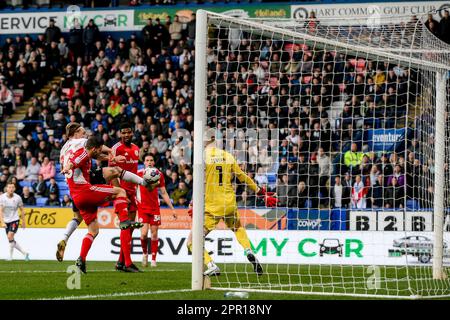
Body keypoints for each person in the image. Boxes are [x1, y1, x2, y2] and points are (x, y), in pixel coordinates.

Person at [186, 128, 278, 276]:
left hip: (212, 205)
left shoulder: (202, 157)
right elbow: (243, 177)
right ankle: (248, 250)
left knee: (192, 241)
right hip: (229, 202)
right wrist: (262, 193)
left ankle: (211, 264)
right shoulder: (227, 156)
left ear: (205, 139)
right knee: (237, 228)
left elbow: (200, 183)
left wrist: (193, 202)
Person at [61, 136, 151, 273]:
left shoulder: (75, 151)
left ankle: (81, 260)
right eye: (99, 150)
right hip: (85, 191)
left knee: (93, 230)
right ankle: (125, 222)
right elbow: (75, 161)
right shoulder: (83, 153)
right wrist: (68, 166)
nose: (100, 152)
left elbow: (81, 159)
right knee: (120, 191)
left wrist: (111, 159)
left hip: (76, 198)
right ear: (94, 148)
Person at [107, 122, 144, 272]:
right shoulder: (116, 149)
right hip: (120, 191)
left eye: (128, 132)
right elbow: (111, 172)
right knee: (125, 226)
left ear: (132, 133)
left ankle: (121, 262)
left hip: (132, 192)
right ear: (120, 134)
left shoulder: (136, 149)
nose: (126, 135)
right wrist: (120, 192)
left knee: (130, 228)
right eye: (123, 133)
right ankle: (127, 263)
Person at [137, 154, 176, 267]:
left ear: (154, 162)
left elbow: (163, 192)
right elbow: (132, 188)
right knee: (143, 234)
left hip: (154, 208)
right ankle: (145, 254)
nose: (149, 162)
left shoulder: (159, 175)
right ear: (144, 162)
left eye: (151, 160)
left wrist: (172, 208)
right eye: (147, 160)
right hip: (142, 208)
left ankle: (153, 259)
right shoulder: (139, 174)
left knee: (154, 234)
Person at [0, 182, 29, 261]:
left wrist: (23, 222)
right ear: (6, 188)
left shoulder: (18, 198)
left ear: (15, 189)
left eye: (12, 187)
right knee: (11, 239)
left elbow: (22, 210)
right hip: (6, 220)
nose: (11, 189)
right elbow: (1, 211)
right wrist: (2, 222)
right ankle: (25, 253)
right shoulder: (2, 197)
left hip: (15, 219)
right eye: (9, 187)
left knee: (10, 236)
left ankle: (10, 256)